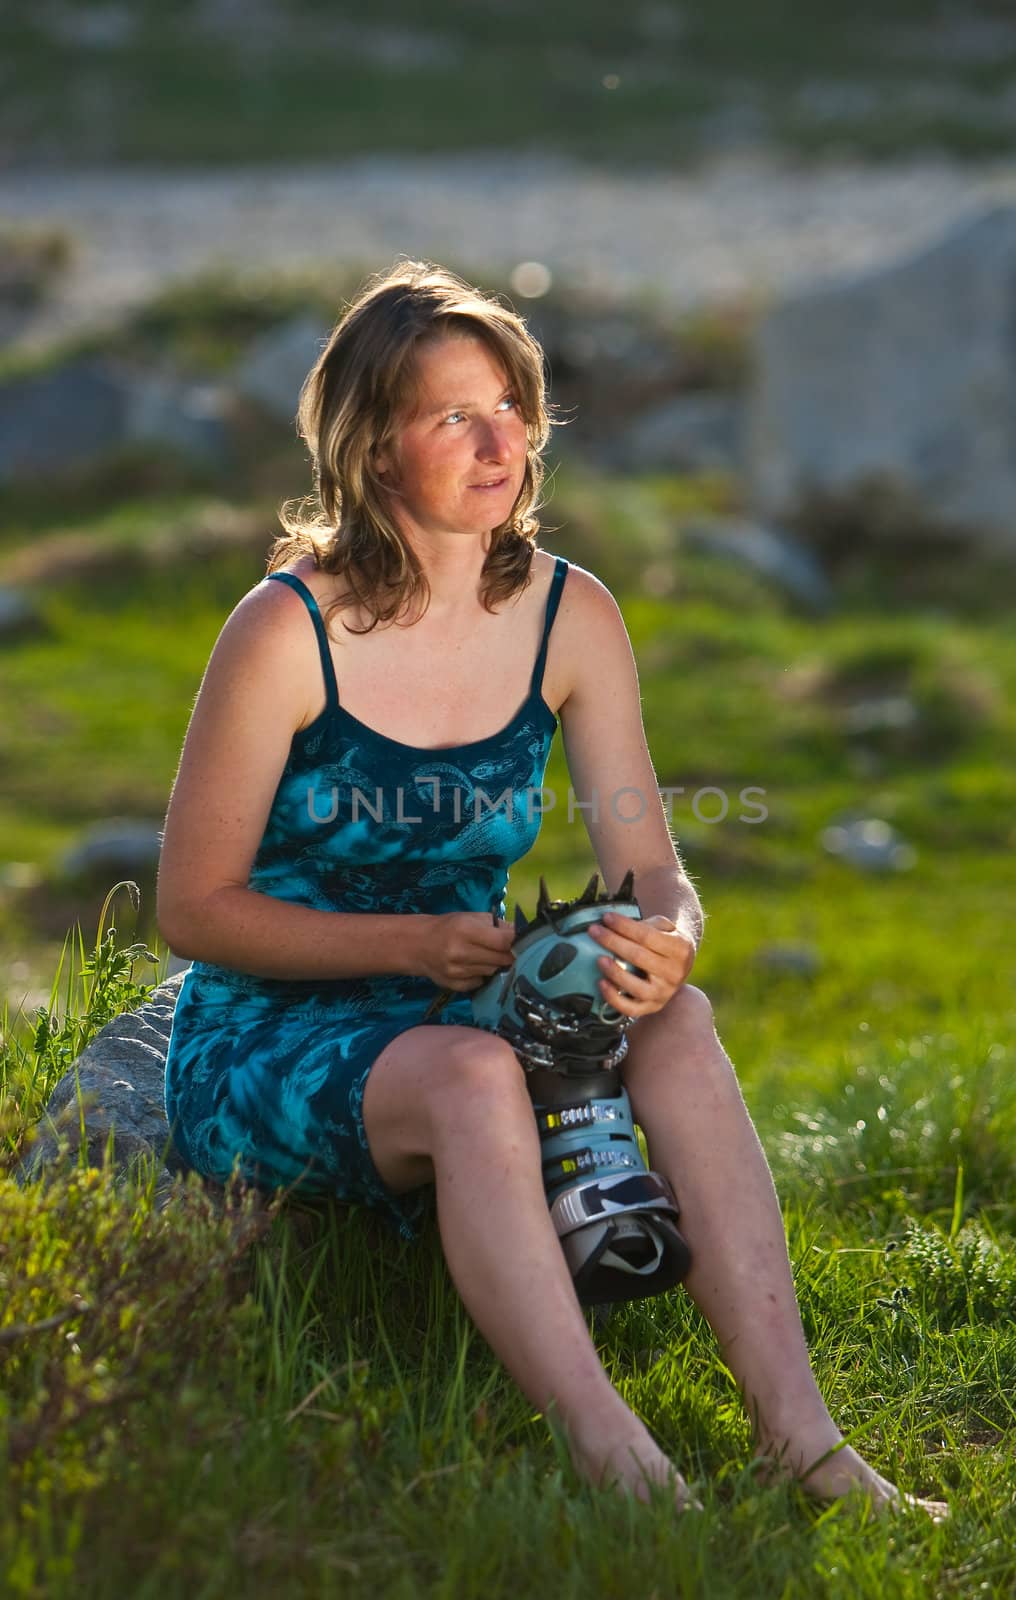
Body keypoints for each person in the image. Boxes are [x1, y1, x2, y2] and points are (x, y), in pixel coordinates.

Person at [159, 260, 941, 1516]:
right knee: (470, 1078)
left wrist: (667, 936)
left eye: (511, 406)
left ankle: (803, 1441)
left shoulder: (571, 613)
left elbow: (648, 860)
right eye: (452, 416)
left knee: (673, 1022)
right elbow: (191, 908)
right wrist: (415, 941)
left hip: (458, 982)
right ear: (370, 451)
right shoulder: (284, 629)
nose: (500, 441)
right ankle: (612, 1457)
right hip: (270, 1027)